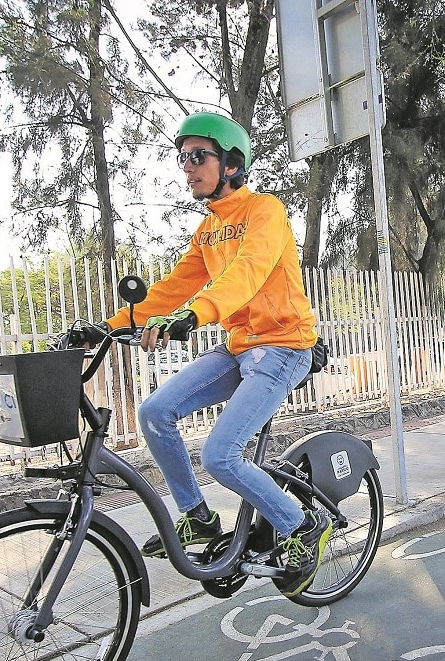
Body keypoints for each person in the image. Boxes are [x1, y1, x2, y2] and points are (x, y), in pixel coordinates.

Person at [99, 111, 330, 596]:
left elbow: (247, 271)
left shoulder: (265, 210)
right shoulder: (207, 232)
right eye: (182, 159)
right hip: (240, 348)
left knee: (220, 455)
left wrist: (195, 315)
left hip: (285, 346)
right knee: (156, 411)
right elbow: (165, 293)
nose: (188, 167)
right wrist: (105, 327)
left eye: (198, 157)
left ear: (230, 162)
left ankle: (301, 524)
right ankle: (198, 520)